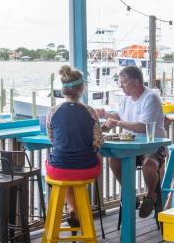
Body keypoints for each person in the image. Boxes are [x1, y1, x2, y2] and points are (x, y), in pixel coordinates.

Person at [100, 65, 167, 217]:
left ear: (136, 82)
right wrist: (106, 115)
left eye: (123, 82)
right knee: (114, 160)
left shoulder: (151, 97)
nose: (120, 85)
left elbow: (142, 127)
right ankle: (130, 193)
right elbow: (121, 117)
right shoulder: (125, 99)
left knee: (149, 164)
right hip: (131, 146)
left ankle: (151, 196)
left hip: (153, 145)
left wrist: (117, 123)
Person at [45, 65, 103, 226]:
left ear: (63, 90)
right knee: (94, 157)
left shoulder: (53, 111)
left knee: (64, 165)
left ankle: (73, 209)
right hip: (86, 169)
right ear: (82, 89)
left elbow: (53, 140)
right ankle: (78, 210)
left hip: (58, 169)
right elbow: (98, 142)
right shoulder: (90, 111)